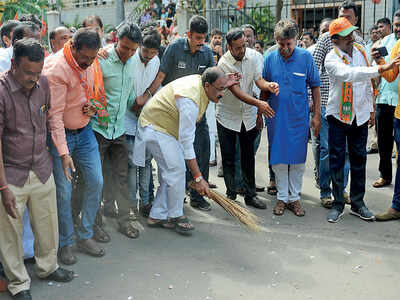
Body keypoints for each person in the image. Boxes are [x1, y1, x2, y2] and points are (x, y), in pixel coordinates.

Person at [0, 38, 74, 300]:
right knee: (10, 232)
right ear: (13, 65)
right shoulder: (1, 90)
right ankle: (19, 283)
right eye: (28, 73)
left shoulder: (43, 83)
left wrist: (63, 154)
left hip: (41, 167)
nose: (34, 78)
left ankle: (48, 267)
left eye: (37, 72)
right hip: (11, 173)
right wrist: (3, 186)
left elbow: (52, 118)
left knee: (47, 222)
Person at [133, 68, 239, 235]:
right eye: (219, 89)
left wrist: (224, 83)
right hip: (156, 127)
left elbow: (185, 142)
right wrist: (198, 177)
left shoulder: (203, 83)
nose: (222, 94)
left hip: (164, 127)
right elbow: (187, 144)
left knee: (172, 172)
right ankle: (174, 216)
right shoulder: (189, 102)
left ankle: (157, 215)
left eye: (224, 89)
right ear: (207, 85)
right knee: (176, 171)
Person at [134, 15, 215, 211]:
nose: (200, 42)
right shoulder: (175, 48)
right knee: (174, 162)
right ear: (188, 34)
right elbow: (161, 76)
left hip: (196, 113)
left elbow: (213, 80)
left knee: (201, 150)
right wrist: (146, 96)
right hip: (171, 116)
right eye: (197, 38)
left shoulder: (207, 53)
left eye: (203, 38)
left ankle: (197, 194)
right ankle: (173, 198)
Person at [324, 17, 400, 223]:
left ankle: (358, 203)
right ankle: (338, 203)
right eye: (346, 35)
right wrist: (380, 69)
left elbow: (367, 83)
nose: (351, 37)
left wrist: (371, 107)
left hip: (360, 115)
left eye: (352, 33)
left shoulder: (360, 51)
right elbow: (351, 74)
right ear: (335, 39)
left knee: (360, 159)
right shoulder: (331, 58)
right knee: (337, 160)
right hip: (339, 116)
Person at [44, 28, 105, 265]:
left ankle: (85, 234)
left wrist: (92, 107)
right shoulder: (56, 69)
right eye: (85, 58)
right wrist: (63, 152)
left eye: (93, 58)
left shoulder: (90, 59)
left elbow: (92, 93)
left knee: (96, 182)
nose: (89, 63)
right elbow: (54, 117)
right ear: (73, 47)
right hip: (62, 138)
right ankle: (65, 243)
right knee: (64, 192)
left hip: (85, 130)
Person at [263, 20, 321, 217]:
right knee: (278, 158)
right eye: (281, 44)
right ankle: (282, 197)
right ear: (275, 40)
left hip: (299, 118)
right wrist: (259, 112)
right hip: (276, 118)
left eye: (289, 44)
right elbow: (264, 89)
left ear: (296, 39)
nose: (285, 48)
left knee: (297, 159)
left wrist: (317, 116)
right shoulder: (270, 59)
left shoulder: (306, 58)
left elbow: (315, 86)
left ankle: (294, 197)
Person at [217, 27, 279, 209]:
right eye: (237, 48)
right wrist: (259, 104)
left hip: (248, 117)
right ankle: (231, 195)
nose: (242, 50)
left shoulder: (252, 57)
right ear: (228, 47)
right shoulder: (223, 64)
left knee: (248, 156)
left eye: (243, 46)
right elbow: (236, 92)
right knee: (228, 158)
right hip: (227, 116)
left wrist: (269, 86)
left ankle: (250, 195)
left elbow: (258, 80)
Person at [92, 23, 143, 239]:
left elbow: (129, 95)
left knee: (122, 177)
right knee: (95, 180)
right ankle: (95, 225)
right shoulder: (100, 60)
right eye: (124, 48)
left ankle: (124, 222)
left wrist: (139, 104)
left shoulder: (133, 63)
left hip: (119, 129)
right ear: (115, 40)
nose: (128, 54)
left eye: (133, 50)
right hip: (97, 129)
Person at [312, 0, 362, 208]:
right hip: (326, 103)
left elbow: (365, 74)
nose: (343, 21)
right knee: (326, 149)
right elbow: (314, 70)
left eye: (348, 17)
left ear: (356, 20)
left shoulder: (359, 42)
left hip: (350, 106)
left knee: (347, 151)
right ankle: (326, 191)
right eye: (341, 16)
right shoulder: (327, 39)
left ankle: (341, 190)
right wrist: (313, 105)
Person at [126, 27, 161, 218]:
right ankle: (131, 204)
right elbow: (126, 83)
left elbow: (156, 85)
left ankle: (146, 202)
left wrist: (145, 100)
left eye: (153, 52)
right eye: (146, 51)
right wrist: (134, 102)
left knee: (147, 162)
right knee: (132, 163)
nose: (148, 56)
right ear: (140, 46)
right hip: (128, 116)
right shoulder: (131, 58)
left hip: (147, 117)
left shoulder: (156, 61)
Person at [374, 13, 400, 221]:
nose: (398, 29)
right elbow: (391, 75)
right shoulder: (395, 45)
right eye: (397, 25)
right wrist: (381, 60)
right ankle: (397, 205)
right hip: (396, 109)